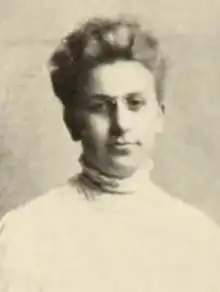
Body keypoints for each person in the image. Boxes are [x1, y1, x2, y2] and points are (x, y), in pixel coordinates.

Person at [0, 15, 220, 292]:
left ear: (159, 117)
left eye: (135, 103)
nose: (121, 124)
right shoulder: (26, 233)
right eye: (101, 106)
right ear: (73, 122)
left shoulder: (199, 236)